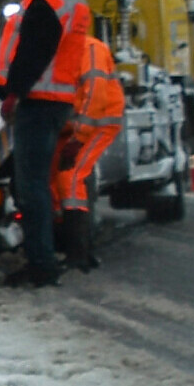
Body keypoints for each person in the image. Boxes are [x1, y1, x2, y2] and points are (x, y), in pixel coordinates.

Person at [0, 0, 93, 286]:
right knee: (37, 184)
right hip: (59, 99)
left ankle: (41, 264)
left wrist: (13, 92)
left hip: (39, 100)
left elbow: (34, 51)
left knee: (31, 187)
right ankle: (46, 256)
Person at [51, 34, 127, 273]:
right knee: (53, 180)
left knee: (71, 176)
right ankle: (65, 243)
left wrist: (78, 139)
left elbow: (96, 97)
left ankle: (78, 251)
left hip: (98, 123)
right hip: (72, 125)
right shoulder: (59, 50)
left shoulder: (90, 49)